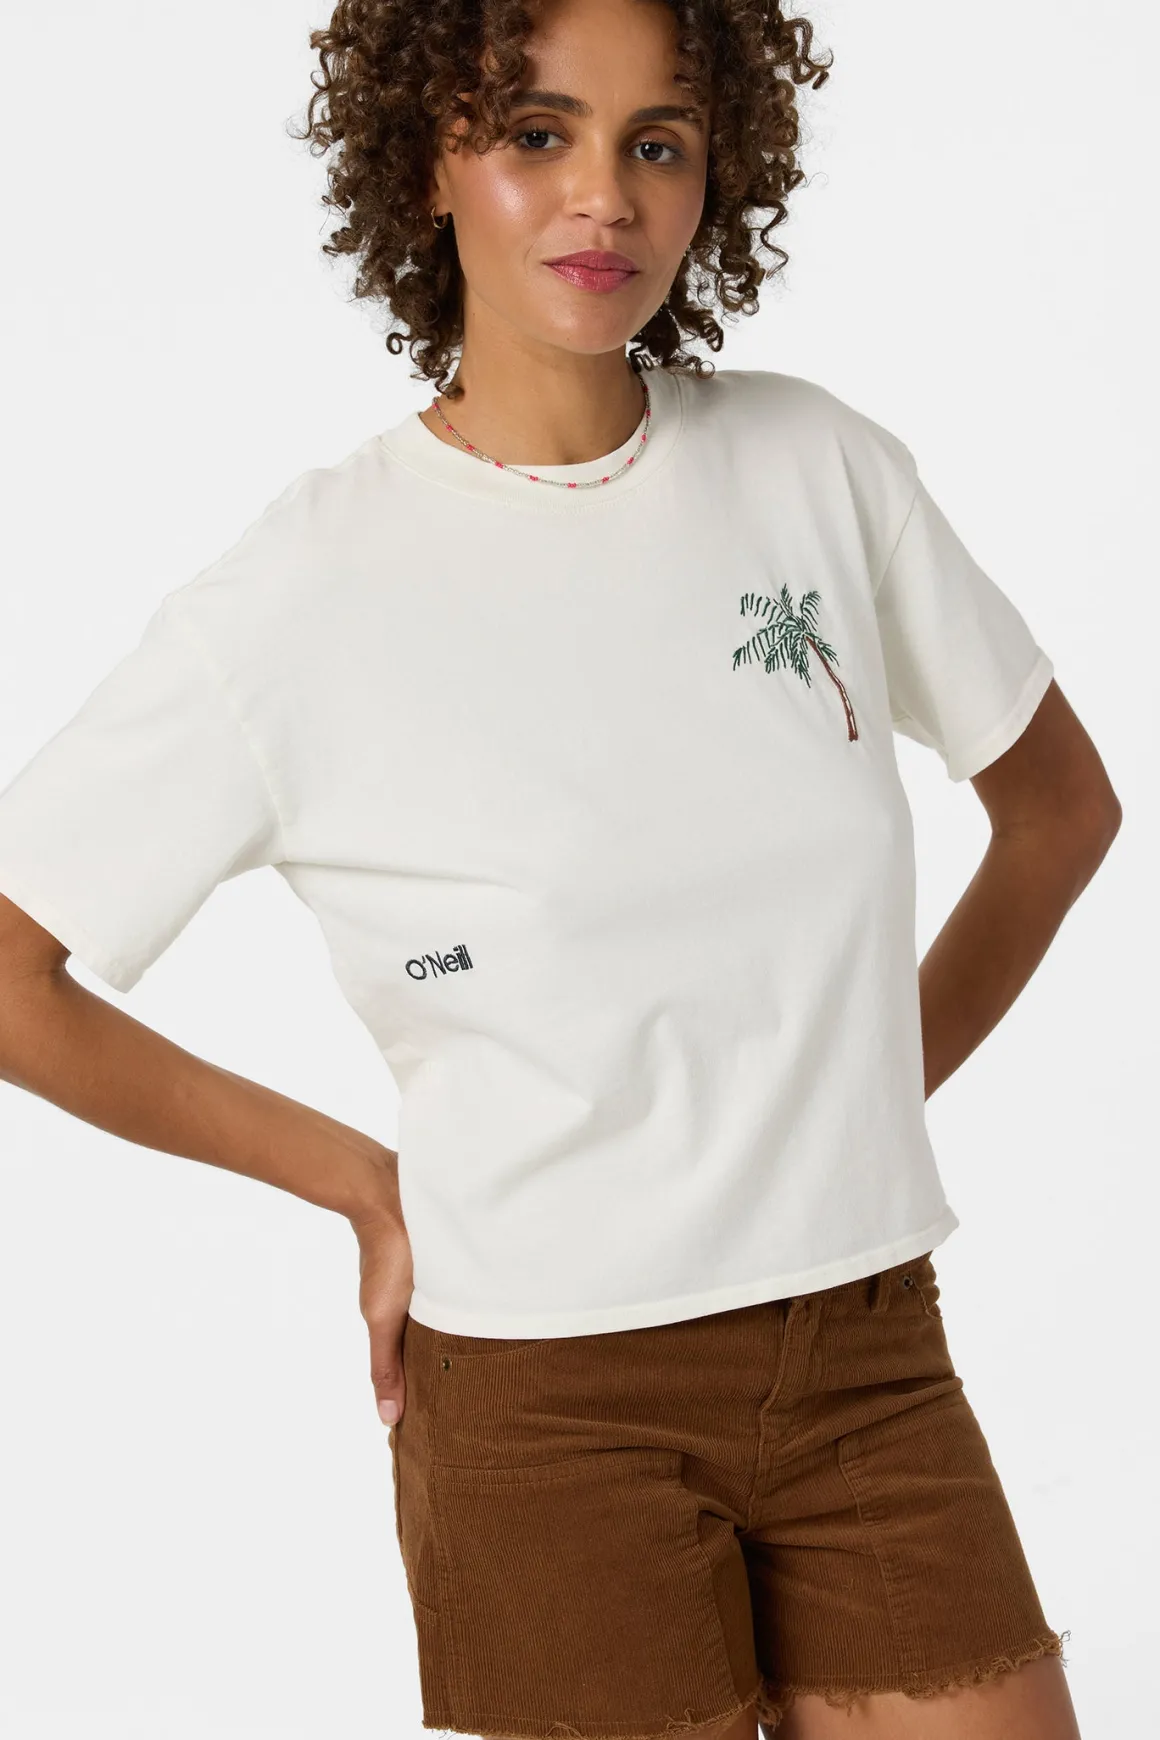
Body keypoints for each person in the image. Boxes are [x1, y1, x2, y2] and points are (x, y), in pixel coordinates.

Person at [0, 1, 1118, 1736]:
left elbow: (1059, 814)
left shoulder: (817, 469)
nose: (604, 193)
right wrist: (360, 1182)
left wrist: (852, 1094)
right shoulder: (306, 591)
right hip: (546, 1403)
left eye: (655, 141)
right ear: (427, 163)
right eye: (537, 133)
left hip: (867, 1355)